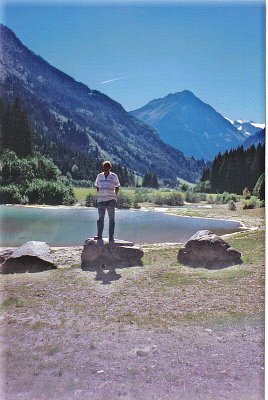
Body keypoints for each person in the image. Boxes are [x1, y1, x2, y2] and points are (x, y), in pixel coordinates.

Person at [94, 161, 120, 242]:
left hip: (111, 200)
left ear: (110, 168)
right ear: (103, 167)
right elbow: (97, 186)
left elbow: (117, 187)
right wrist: (101, 194)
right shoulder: (99, 176)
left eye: (107, 167)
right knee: (100, 218)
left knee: (111, 219)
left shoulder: (114, 176)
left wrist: (114, 196)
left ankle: (111, 236)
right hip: (101, 200)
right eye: (104, 167)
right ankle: (99, 235)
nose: (105, 168)